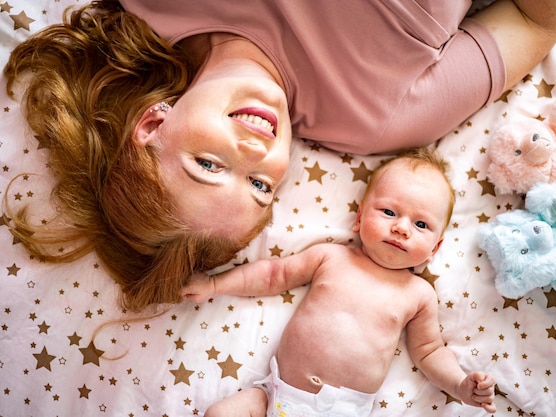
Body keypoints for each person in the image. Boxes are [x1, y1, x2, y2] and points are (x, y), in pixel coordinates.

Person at [4, 0, 556, 312]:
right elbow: (536, 19)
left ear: (153, 123)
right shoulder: (377, 117)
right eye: (259, 186)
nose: (255, 152)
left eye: (209, 166)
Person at [182, 147, 496, 416]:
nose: (402, 228)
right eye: (388, 211)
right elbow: (271, 275)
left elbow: (428, 352)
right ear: (359, 218)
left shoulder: (418, 294)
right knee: (220, 413)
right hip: (274, 396)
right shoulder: (331, 258)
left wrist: (458, 384)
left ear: (435, 248)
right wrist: (214, 285)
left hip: (345, 410)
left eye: (421, 224)